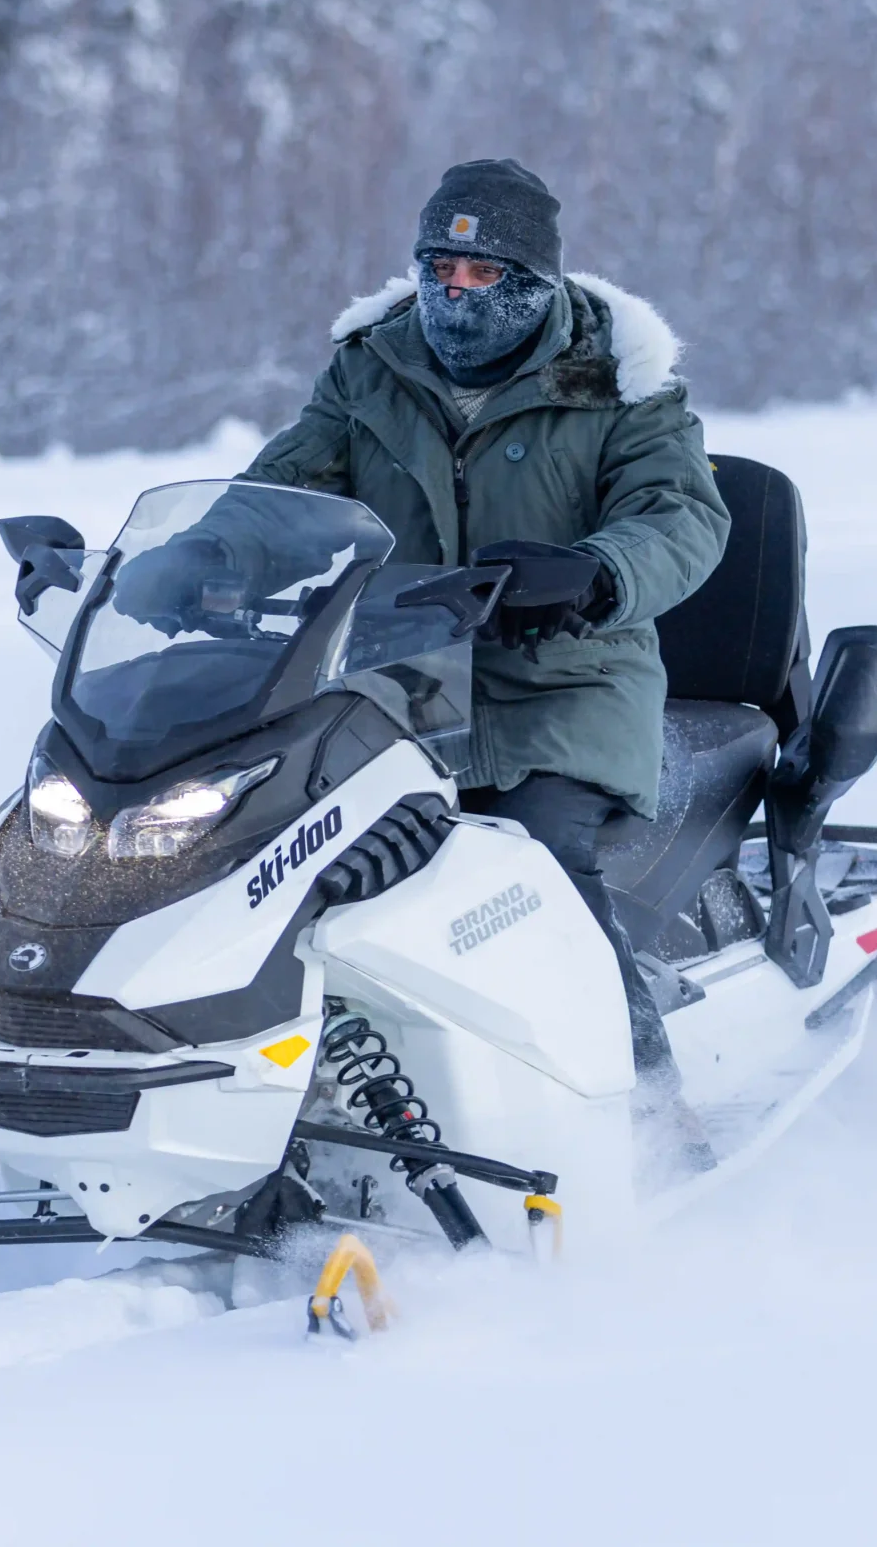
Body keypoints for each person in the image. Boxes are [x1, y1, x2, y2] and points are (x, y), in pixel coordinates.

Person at [235, 157, 730, 1154]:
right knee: (278, 848)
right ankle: (279, 1095)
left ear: (536, 284)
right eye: (438, 270)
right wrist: (199, 561)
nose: (454, 296)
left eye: (482, 275)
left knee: (534, 862)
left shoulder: (621, 385)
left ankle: (651, 1120)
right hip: (396, 682)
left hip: (566, 682)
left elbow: (679, 516)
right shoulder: (370, 365)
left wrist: (593, 572)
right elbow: (283, 490)